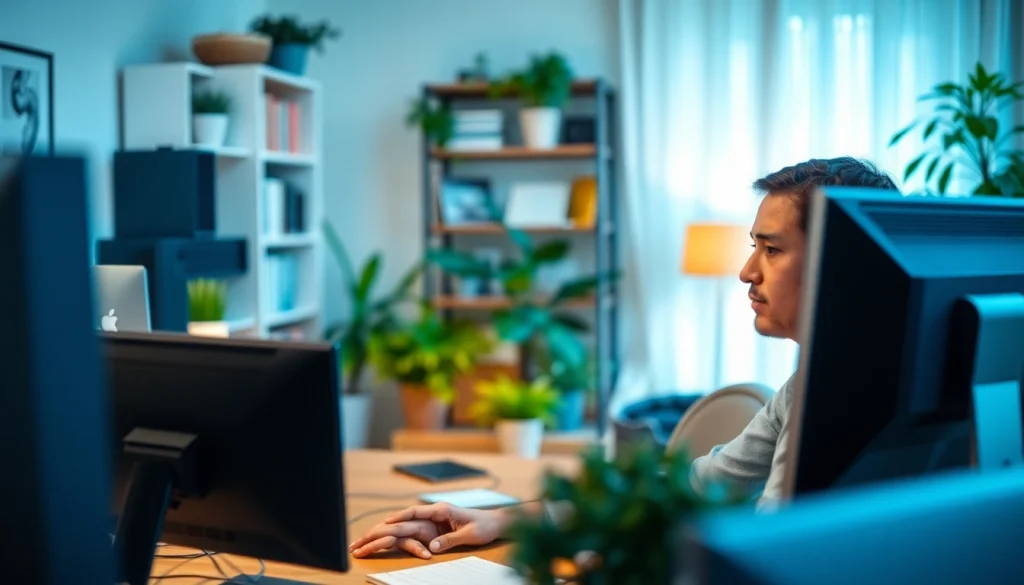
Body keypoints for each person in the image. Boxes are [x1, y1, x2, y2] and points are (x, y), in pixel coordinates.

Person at [349, 157, 900, 560]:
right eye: (752, 246)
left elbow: (770, 555)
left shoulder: (849, 395)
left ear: (838, 264)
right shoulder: (807, 383)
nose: (747, 271)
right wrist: (504, 518)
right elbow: (694, 485)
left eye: (772, 249)